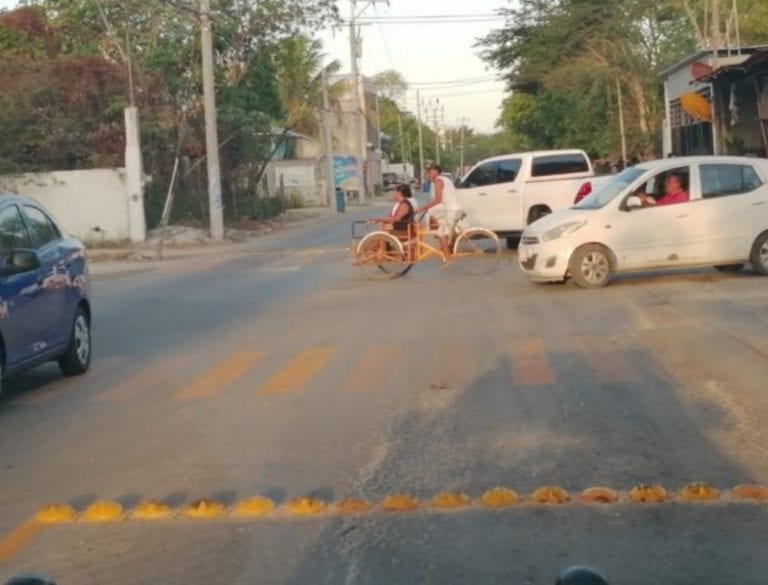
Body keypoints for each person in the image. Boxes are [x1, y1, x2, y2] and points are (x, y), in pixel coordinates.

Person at [415, 164, 463, 262]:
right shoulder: (446, 179)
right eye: (428, 174)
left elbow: (438, 200)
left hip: (451, 210)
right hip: (456, 208)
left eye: (430, 173)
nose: (429, 175)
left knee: (441, 233)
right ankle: (447, 248)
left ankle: (448, 258)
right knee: (443, 228)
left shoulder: (438, 181)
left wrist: (423, 208)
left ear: (437, 171)